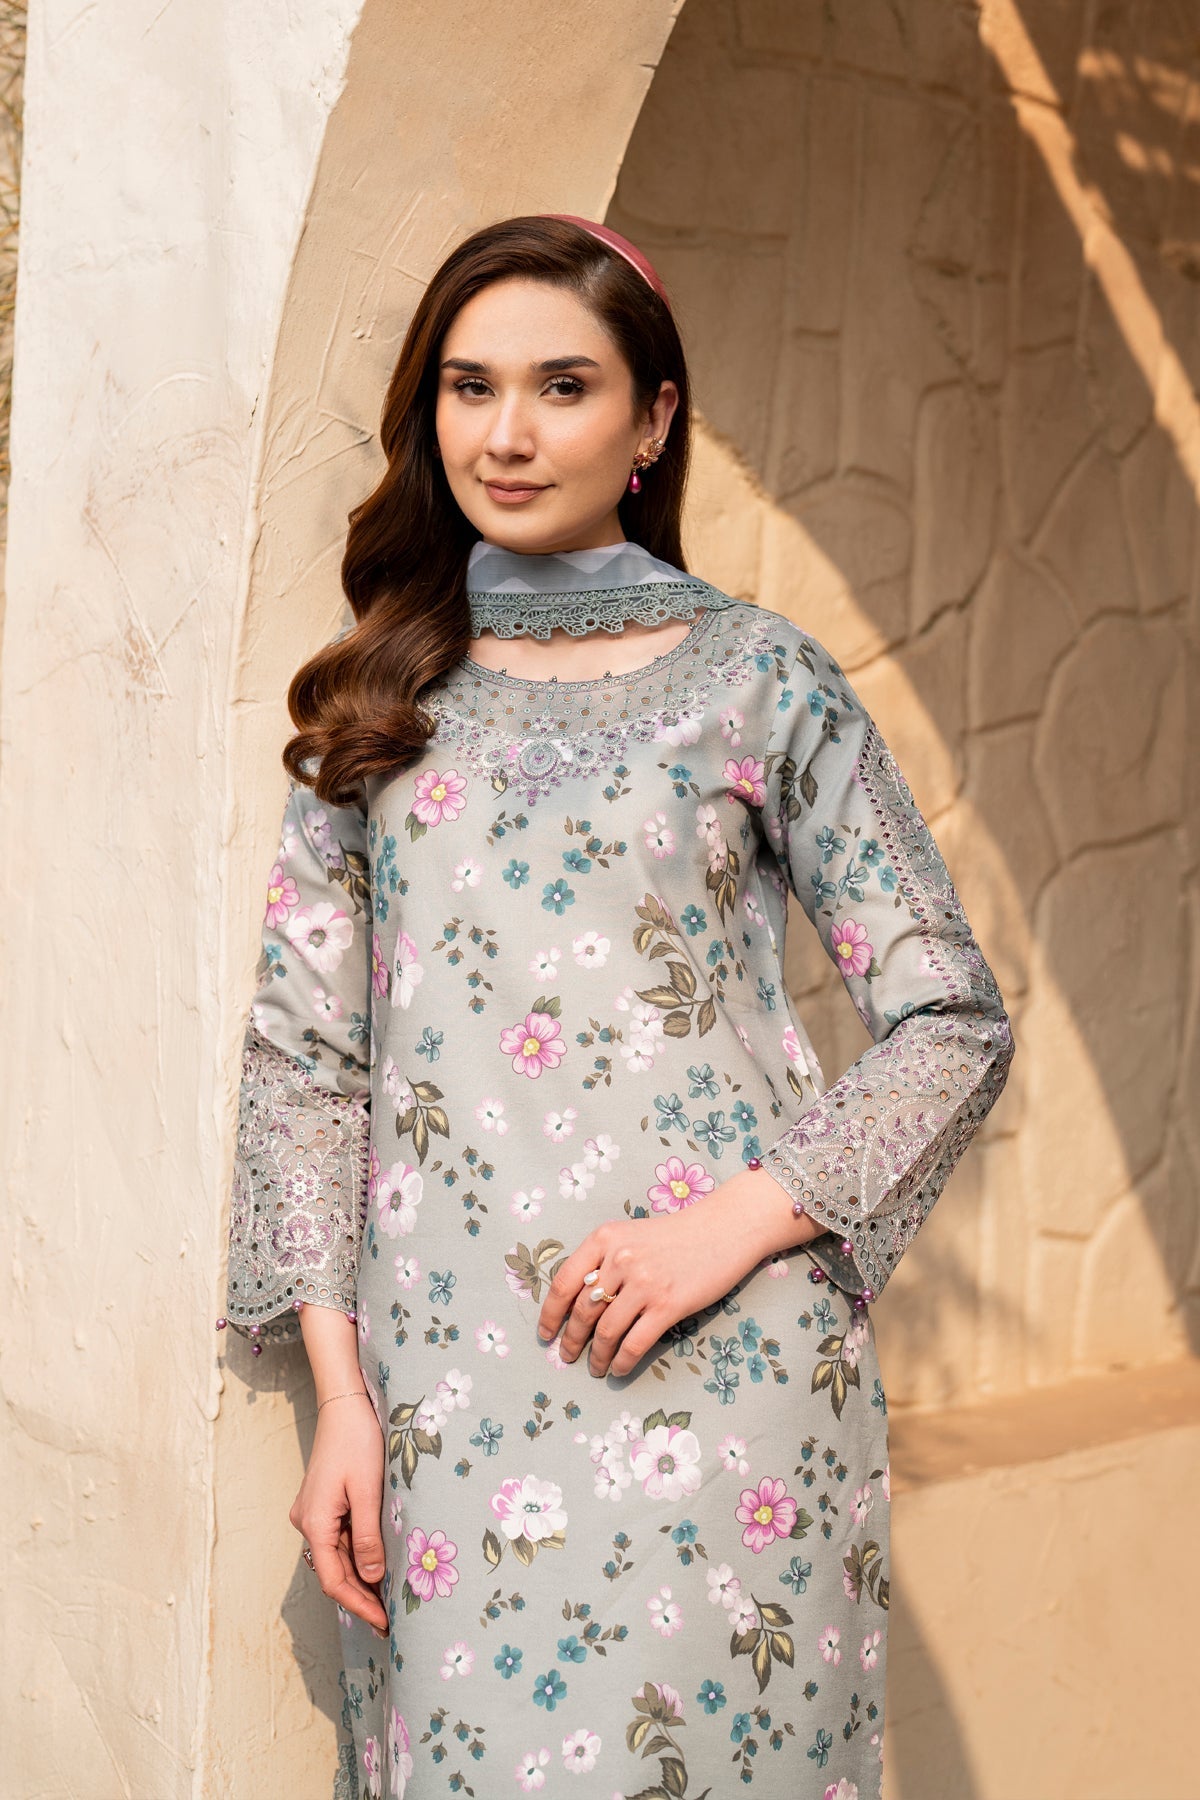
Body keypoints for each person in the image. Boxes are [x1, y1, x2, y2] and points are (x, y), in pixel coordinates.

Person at [217, 213, 1015, 1800]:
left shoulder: (763, 681)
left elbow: (953, 1019)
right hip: (448, 1413)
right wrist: (342, 1400)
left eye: (563, 386)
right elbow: (307, 1065)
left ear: (653, 420)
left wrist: (729, 1228)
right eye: (470, 386)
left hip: (728, 1381)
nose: (506, 434)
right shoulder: (381, 701)